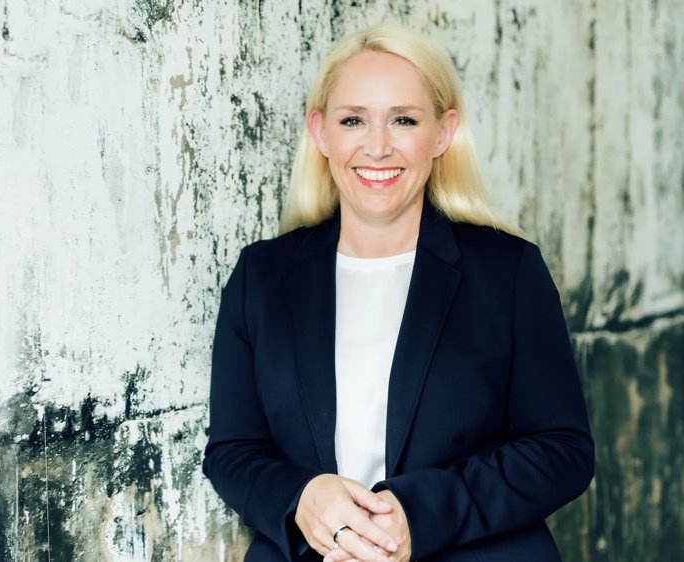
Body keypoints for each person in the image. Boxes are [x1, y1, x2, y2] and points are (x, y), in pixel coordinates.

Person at [203, 25, 594, 562]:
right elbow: (233, 451)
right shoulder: (261, 277)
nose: (378, 145)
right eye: (353, 120)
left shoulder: (508, 271)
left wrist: (418, 515)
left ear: (442, 133)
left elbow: (562, 450)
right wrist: (302, 498)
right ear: (320, 132)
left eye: (404, 119)